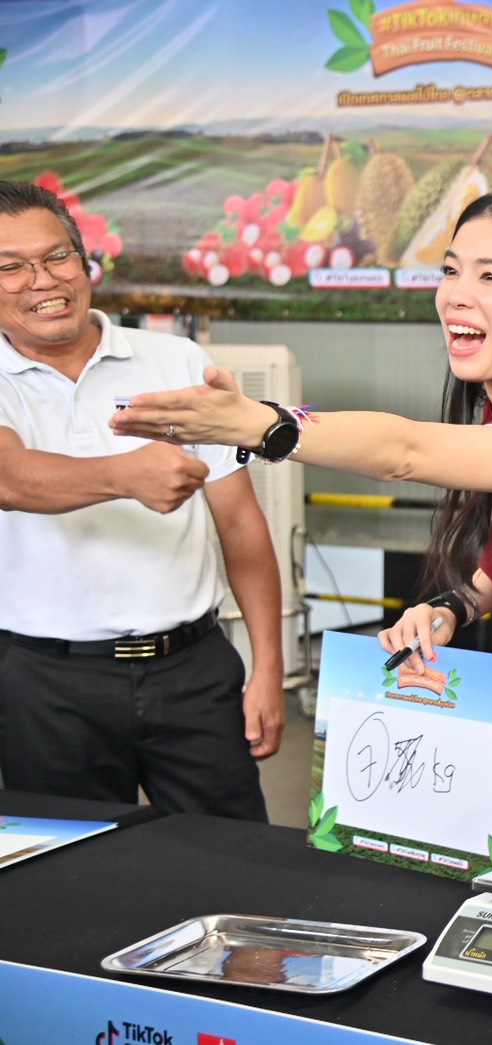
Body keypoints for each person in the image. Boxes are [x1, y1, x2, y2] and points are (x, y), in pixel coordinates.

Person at [112, 192, 492, 705]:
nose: (457, 294)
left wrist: (263, 423)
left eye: (490, 278)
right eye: (451, 270)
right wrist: (452, 608)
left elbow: (401, 450)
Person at [0, 180, 284, 820]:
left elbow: (240, 522)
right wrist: (127, 474)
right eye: (10, 268)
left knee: (234, 864)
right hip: (47, 685)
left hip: (193, 672)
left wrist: (268, 667)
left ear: (84, 262)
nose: (41, 281)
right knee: (69, 886)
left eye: (56, 257)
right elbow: (10, 477)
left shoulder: (176, 360)